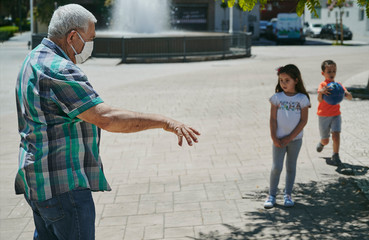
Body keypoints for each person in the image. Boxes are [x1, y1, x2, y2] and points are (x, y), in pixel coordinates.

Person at [15, 4, 200, 240]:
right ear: (72, 36)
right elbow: (106, 118)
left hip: (38, 181)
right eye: (90, 38)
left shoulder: (32, 59)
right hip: (63, 188)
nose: (91, 45)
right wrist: (166, 122)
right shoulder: (58, 69)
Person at [264, 64, 310, 209]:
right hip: (278, 140)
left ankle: (288, 195)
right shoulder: (277, 98)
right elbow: (272, 119)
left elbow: (303, 121)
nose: (283, 83)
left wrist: (289, 138)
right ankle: (271, 195)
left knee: (291, 167)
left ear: (296, 80)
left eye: (287, 80)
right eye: (281, 80)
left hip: (295, 140)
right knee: (276, 167)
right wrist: (274, 138)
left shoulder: (302, 99)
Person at [316, 60, 352, 166]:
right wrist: (321, 93)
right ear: (323, 73)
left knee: (336, 134)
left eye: (334, 71)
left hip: (336, 114)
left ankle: (335, 155)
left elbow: (349, 97)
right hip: (323, 115)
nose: (332, 73)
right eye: (329, 71)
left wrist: (346, 93)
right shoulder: (323, 85)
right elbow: (319, 100)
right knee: (326, 141)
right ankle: (322, 143)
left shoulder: (338, 85)